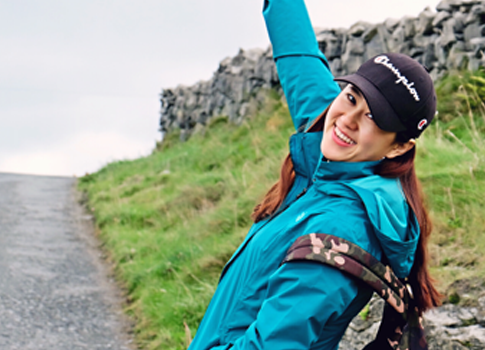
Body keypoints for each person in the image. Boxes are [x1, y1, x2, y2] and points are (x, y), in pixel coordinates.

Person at [188, 0, 442, 349]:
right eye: (352, 97)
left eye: (374, 118)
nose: (347, 120)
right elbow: (299, 55)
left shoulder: (343, 227)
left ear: (399, 147)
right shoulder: (336, 149)